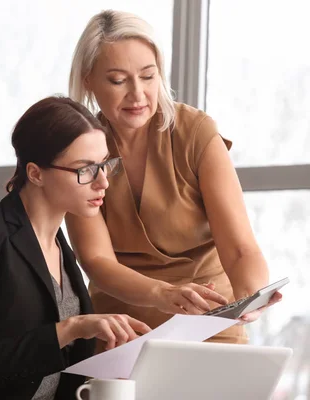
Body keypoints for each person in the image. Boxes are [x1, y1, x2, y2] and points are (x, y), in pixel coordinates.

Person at [66, 9, 282, 346]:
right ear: (87, 80)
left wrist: (251, 297)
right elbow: (96, 260)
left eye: (148, 76)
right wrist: (161, 293)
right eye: (119, 80)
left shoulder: (196, 134)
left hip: (210, 321)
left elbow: (240, 249)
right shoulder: (79, 149)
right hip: (122, 329)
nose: (137, 94)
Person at [0, 96, 151, 400]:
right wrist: (70, 329)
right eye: (86, 169)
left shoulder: (62, 250)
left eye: (104, 165)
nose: (103, 182)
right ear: (35, 173)